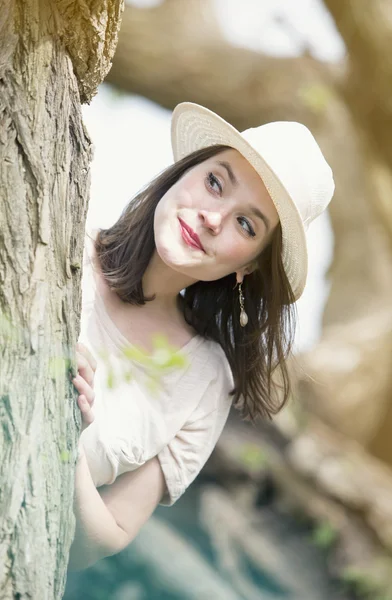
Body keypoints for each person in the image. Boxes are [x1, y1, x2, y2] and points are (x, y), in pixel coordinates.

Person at [68, 102, 335, 570]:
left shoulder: (206, 380)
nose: (214, 218)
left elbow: (104, 537)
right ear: (186, 171)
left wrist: (64, 437)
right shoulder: (59, 243)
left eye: (245, 223)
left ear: (248, 264)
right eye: (215, 182)